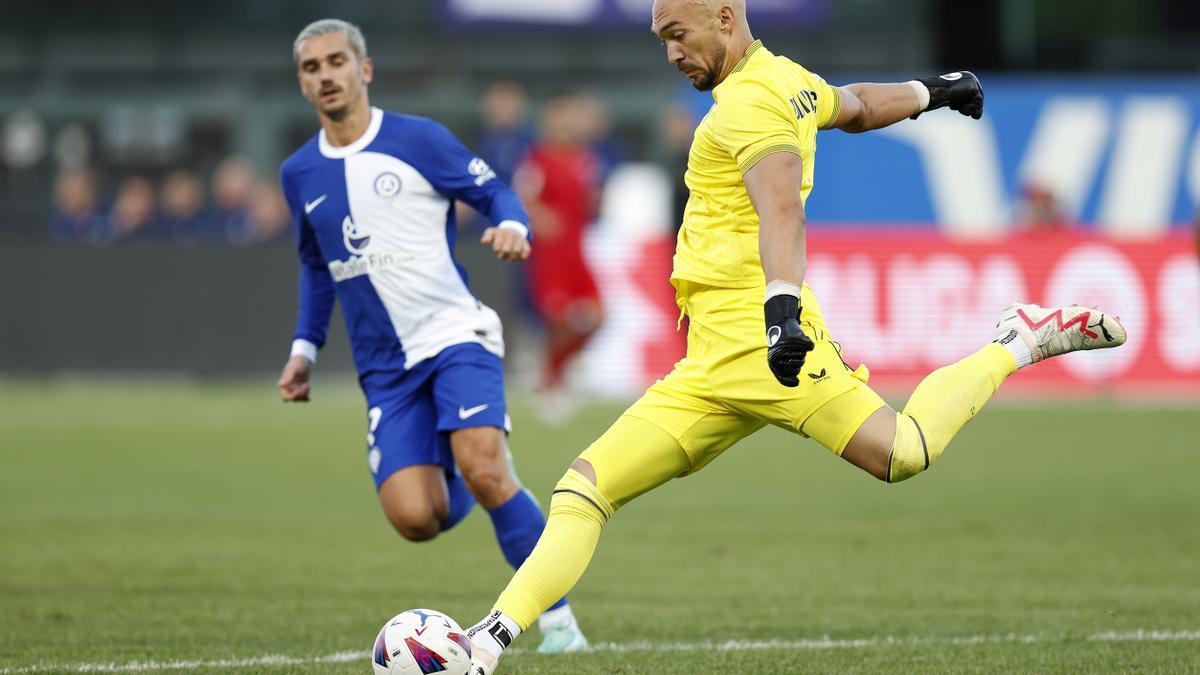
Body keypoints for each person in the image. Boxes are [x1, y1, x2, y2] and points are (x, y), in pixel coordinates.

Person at [463, 1, 1127, 672]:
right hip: (709, 362)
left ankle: (1018, 340)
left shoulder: (749, 102)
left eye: (677, 34)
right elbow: (859, 105)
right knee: (582, 490)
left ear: (724, 17)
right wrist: (937, 91)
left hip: (762, 341)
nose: (671, 53)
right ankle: (482, 646)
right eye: (662, 39)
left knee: (903, 450)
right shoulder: (784, 79)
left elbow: (781, 209)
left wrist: (782, 310)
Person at [274, 19, 587, 654]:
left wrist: (514, 227)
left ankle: (559, 624)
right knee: (417, 519)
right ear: (303, 84)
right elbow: (316, 265)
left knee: (484, 468)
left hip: (454, 334)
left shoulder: (417, 138)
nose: (327, 74)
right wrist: (304, 349)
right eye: (313, 67)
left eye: (338, 61)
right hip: (385, 368)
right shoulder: (299, 173)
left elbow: (495, 191)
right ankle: (482, 478)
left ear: (364, 70)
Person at [514, 95, 606, 420]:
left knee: (597, 316)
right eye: (560, 119)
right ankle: (551, 382)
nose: (566, 125)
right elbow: (523, 198)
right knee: (560, 321)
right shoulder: (537, 158)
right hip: (551, 257)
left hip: (578, 254)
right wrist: (540, 216)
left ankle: (558, 369)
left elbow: (592, 201)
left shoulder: (585, 157)